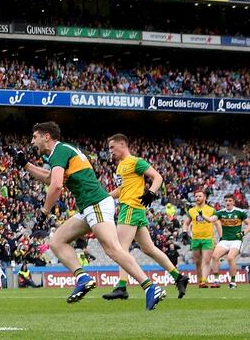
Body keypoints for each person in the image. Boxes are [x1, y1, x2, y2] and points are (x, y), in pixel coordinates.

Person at [14, 122, 165, 310]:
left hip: (96, 203)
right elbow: (49, 177)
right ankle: (83, 278)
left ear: (46, 137)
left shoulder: (59, 151)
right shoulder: (62, 151)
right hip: (89, 207)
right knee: (57, 241)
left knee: (113, 249)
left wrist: (44, 212)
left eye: (34, 137)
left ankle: (151, 287)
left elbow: (56, 185)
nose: (32, 142)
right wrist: (26, 165)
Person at [101, 134, 189, 300]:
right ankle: (178, 277)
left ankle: (121, 287)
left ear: (122, 144)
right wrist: (104, 197)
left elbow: (158, 177)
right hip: (134, 208)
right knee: (149, 249)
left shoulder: (135, 162)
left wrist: (151, 193)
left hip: (130, 207)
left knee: (120, 248)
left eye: (113, 147)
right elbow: (121, 190)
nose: (110, 151)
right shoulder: (121, 166)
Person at [182, 189, 220, 288]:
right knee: (197, 262)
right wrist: (184, 232)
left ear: (205, 198)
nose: (197, 198)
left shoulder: (211, 210)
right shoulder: (191, 210)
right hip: (195, 239)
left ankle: (204, 281)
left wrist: (221, 236)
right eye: (196, 196)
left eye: (199, 196)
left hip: (208, 238)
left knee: (206, 260)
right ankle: (200, 281)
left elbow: (217, 223)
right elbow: (186, 223)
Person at [211, 195, 249, 289]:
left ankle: (233, 282)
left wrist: (243, 233)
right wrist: (203, 216)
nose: (228, 202)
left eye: (230, 200)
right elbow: (211, 220)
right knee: (215, 256)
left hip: (236, 240)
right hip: (224, 240)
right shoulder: (220, 212)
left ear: (233, 202)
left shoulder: (240, 212)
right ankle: (216, 281)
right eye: (226, 200)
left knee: (230, 258)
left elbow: (249, 223)